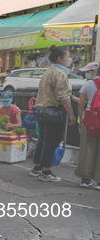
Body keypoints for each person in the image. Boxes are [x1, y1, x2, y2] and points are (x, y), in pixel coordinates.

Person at [30, 45, 76, 182]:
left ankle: (37, 168)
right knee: (51, 142)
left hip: (43, 111)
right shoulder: (60, 74)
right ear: (60, 58)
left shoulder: (49, 71)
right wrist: (72, 114)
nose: (70, 59)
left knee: (43, 141)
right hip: (54, 112)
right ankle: (46, 172)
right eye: (68, 56)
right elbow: (63, 97)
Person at [76, 66, 100, 190]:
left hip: (90, 120)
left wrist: (81, 119)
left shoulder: (89, 84)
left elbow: (81, 103)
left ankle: (85, 180)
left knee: (87, 149)